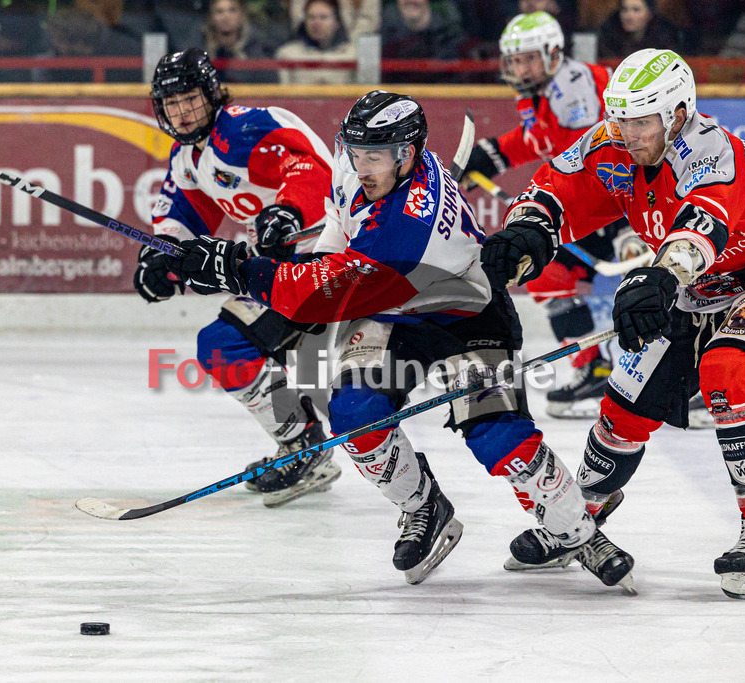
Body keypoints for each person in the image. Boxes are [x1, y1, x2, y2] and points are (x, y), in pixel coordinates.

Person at [155, 90, 634, 589]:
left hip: (468, 316)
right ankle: (423, 506)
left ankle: (577, 532)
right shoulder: (360, 165)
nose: (361, 166)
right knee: (355, 411)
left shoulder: (407, 227)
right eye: (356, 152)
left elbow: (313, 296)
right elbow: (338, 227)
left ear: (407, 153)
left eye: (374, 157)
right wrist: (307, 258)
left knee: (499, 438)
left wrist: (230, 266)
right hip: (392, 315)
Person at [481, 48, 745, 599]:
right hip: (693, 291)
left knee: (727, 371)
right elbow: (556, 189)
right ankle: (580, 517)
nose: (626, 132)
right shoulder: (611, 142)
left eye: (641, 120)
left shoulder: (715, 151)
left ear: (678, 113)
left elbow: (700, 228)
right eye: (619, 116)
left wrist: (658, 279)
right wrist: (528, 228)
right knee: (624, 405)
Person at [136, 49, 339, 507]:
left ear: (210, 94)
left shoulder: (246, 129)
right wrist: (162, 259)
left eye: (190, 99)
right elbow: (185, 212)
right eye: (172, 105)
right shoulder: (189, 155)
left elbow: (313, 170)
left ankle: (306, 446)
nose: (183, 113)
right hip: (280, 270)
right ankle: (306, 444)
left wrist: (287, 210)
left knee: (227, 347)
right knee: (229, 348)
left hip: (326, 257)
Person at [461, 11, 635, 420]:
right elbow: (536, 139)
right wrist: (489, 156)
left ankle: (692, 373)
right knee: (547, 270)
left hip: (623, 198)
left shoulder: (574, 90)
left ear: (554, 54)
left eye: (528, 59)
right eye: (514, 59)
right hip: (598, 200)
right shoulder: (538, 90)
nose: (519, 68)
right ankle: (594, 366)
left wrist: (625, 225)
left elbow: (605, 157)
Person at [275, 0, 357, 85]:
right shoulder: (287, 55)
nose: (316, 23)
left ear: (337, 22)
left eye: (323, 17)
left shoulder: (352, 55)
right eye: (311, 17)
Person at [202, 0, 277, 84]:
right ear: (211, 17)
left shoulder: (257, 49)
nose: (226, 16)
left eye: (232, 10)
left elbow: (269, 81)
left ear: (241, 15)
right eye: (219, 11)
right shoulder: (201, 49)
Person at [595, 0, 684, 59]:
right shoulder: (609, 34)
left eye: (636, 10)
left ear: (649, 14)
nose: (628, 16)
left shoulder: (665, 36)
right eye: (624, 9)